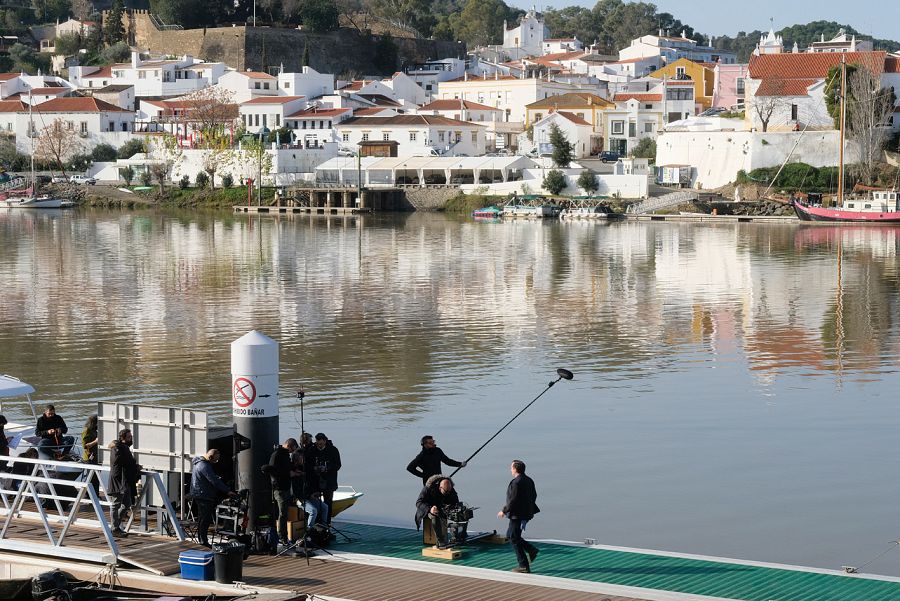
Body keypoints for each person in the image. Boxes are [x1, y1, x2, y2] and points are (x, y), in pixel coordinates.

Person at [498, 459, 540, 573]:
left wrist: (504, 510)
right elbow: (534, 495)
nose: (510, 469)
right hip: (526, 513)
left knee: (513, 537)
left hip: (517, 514)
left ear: (515, 469)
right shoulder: (529, 480)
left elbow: (513, 500)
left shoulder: (516, 482)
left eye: (511, 467)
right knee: (511, 535)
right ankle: (531, 549)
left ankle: (523, 566)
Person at [190, 449, 235, 547]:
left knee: (203, 518)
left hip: (200, 493)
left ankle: (202, 539)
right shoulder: (204, 466)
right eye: (215, 460)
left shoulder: (199, 464)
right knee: (204, 519)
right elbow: (214, 480)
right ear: (210, 457)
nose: (216, 462)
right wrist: (227, 491)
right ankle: (203, 541)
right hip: (203, 495)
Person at [108, 429, 141, 537]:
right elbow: (119, 462)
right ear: (122, 438)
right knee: (115, 504)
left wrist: (135, 467)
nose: (130, 439)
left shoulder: (124, 447)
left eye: (131, 437)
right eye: (128, 437)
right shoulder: (117, 448)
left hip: (125, 480)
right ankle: (114, 528)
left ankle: (115, 525)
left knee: (127, 504)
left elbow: (128, 462)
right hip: (118, 480)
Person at [266, 438, 298, 545]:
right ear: (289, 445)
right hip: (279, 488)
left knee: (285, 512)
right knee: (282, 513)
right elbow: (273, 471)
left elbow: (286, 467)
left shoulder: (285, 455)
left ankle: (283, 535)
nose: (291, 452)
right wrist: (288, 474)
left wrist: (294, 467)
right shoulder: (277, 455)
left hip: (286, 487)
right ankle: (281, 536)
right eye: (292, 450)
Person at [415, 475, 460, 548]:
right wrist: (430, 509)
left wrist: (452, 508)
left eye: (449, 491)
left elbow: (456, 502)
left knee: (459, 512)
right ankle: (440, 541)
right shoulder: (428, 488)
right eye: (446, 492)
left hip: (441, 508)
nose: (448, 493)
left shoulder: (450, 489)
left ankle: (459, 534)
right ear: (440, 487)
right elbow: (418, 502)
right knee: (435, 516)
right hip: (427, 509)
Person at [305, 433, 340, 525]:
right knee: (316, 502)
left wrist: (327, 468)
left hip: (329, 481)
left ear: (325, 441)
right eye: (317, 443)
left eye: (321, 444)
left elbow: (338, 465)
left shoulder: (333, 450)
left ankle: (326, 524)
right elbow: (307, 465)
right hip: (315, 481)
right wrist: (314, 468)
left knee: (328, 503)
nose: (319, 446)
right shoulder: (312, 450)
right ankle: (316, 523)